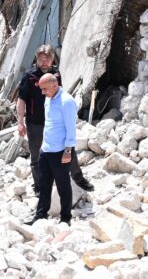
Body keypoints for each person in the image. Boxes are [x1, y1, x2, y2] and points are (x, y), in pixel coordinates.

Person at [16, 45, 94, 193]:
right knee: (36, 155)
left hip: (55, 122)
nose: (44, 62)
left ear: (52, 60)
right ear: (36, 60)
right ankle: (39, 186)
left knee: (68, 149)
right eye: (41, 59)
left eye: (47, 59)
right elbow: (21, 100)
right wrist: (20, 122)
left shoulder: (56, 74)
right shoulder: (29, 76)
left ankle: (78, 178)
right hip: (35, 123)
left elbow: (60, 95)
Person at [33, 73, 78, 224]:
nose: (42, 92)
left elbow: (71, 128)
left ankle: (66, 218)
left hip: (60, 151)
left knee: (63, 186)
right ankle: (40, 216)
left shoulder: (67, 101)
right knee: (43, 185)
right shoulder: (48, 98)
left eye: (45, 89)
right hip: (46, 150)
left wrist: (68, 151)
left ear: (55, 85)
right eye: (41, 89)